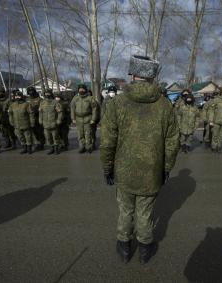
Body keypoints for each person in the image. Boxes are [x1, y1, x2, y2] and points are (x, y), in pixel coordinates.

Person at [100, 54, 179, 264]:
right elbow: (173, 141)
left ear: (132, 75)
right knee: (145, 212)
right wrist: (166, 168)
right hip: (152, 171)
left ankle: (124, 246)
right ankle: (145, 248)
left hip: (124, 170)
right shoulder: (164, 105)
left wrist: (107, 168)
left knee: (126, 210)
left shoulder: (117, 103)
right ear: (152, 77)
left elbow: (107, 141)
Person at [70, 84, 98, 153]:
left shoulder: (90, 98)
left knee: (88, 134)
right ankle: (82, 146)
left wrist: (93, 119)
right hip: (78, 119)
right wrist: (73, 118)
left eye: (83, 89)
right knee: (80, 134)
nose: (81, 90)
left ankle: (89, 146)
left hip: (88, 118)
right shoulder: (75, 98)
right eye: (80, 89)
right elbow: (72, 108)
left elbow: (94, 109)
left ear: (85, 90)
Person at [8, 90, 35, 154]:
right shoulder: (12, 105)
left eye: (19, 96)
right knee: (20, 137)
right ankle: (24, 148)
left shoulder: (26, 104)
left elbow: (31, 114)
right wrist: (11, 121)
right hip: (17, 124)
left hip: (26, 124)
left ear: (21, 96)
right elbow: (10, 114)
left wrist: (32, 122)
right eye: (16, 96)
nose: (17, 97)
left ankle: (29, 149)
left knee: (28, 137)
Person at [39, 89, 63, 155]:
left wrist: (58, 120)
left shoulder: (55, 102)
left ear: (51, 94)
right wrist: (40, 120)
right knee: (48, 137)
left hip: (53, 123)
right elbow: (40, 112)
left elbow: (60, 112)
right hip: (45, 124)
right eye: (46, 94)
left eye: (48, 94)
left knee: (55, 137)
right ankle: (51, 148)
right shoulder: (42, 103)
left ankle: (56, 149)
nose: (47, 95)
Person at [26, 86, 45, 151]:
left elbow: (42, 107)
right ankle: (37, 143)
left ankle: (41, 144)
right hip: (29, 118)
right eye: (29, 91)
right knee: (33, 132)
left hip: (38, 117)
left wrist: (36, 109)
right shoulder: (27, 99)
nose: (31, 93)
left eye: (32, 91)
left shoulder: (39, 99)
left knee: (39, 132)